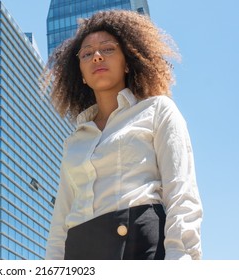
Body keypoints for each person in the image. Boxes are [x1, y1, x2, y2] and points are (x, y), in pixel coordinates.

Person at [44, 10, 202, 260]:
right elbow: (60, 222)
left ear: (127, 61)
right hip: (79, 255)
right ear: (81, 76)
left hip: (139, 247)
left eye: (107, 49)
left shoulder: (158, 109)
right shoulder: (75, 141)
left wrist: (181, 262)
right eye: (86, 54)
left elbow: (181, 195)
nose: (96, 56)